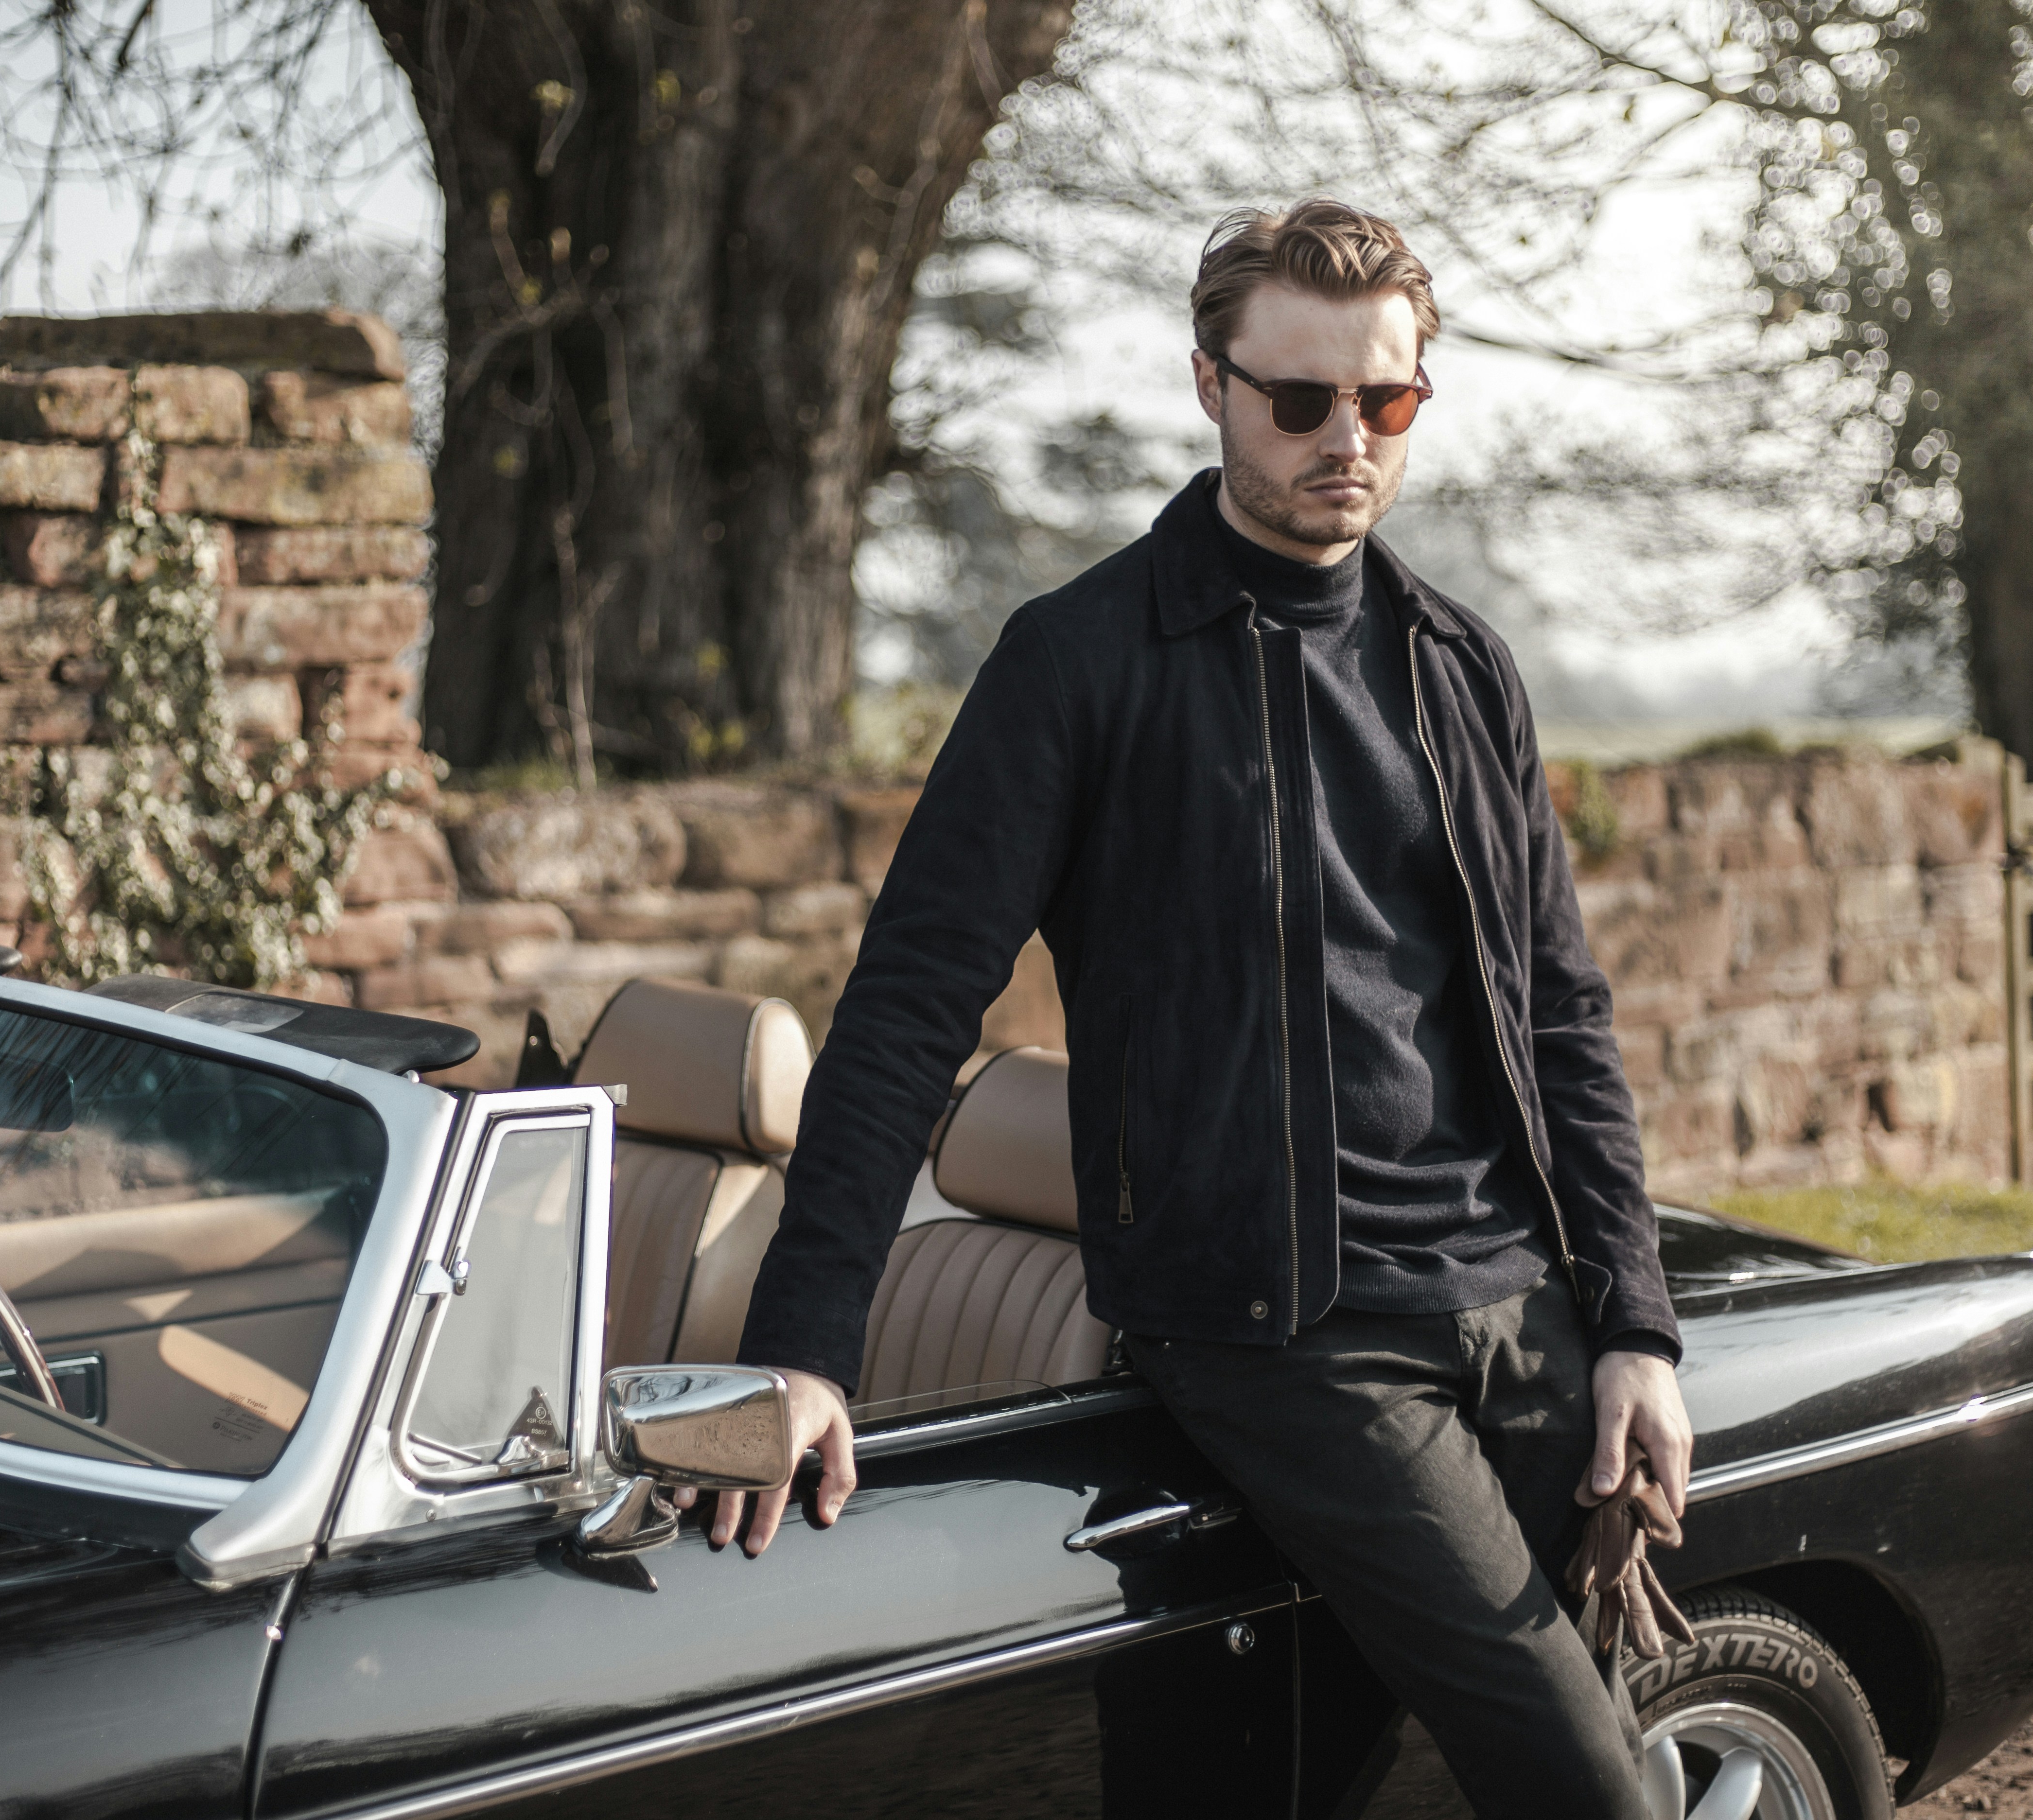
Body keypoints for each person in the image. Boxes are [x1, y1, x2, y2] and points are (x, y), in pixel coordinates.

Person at [697, 199, 1690, 1820]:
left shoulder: (1460, 666)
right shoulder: (1079, 662)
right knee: (1596, 1790)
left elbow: (1559, 1012)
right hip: (1286, 1330)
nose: (1344, 440)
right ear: (1212, 386)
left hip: (1521, 1310)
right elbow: (901, 1013)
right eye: (1297, 400)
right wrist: (805, 1346)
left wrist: (1635, 1323)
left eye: (1386, 402)